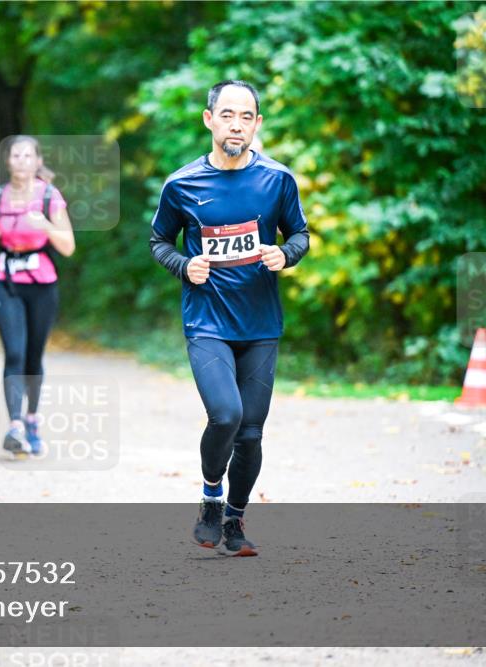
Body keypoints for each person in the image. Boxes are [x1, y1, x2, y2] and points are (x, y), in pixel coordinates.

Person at [149, 80, 309, 556]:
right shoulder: (182, 184)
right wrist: (184, 265)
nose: (236, 124)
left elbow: (299, 234)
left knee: (253, 432)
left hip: (261, 323)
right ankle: (210, 498)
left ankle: (235, 521)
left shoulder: (277, 180)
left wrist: (286, 255)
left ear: (257, 124)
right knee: (227, 415)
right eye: (227, 115)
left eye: (246, 117)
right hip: (207, 322)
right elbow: (159, 241)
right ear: (209, 119)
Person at [0, 136, 75, 457]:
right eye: (15, 155)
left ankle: (32, 421)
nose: (20, 160)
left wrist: (45, 224)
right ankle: (15, 426)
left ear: (37, 161)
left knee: (34, 357)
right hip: (5, 281)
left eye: (27, 155)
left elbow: (68, 246)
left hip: (42, 283)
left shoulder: (49, 196)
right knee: (14, 353)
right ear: (8, 162)